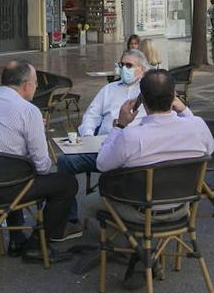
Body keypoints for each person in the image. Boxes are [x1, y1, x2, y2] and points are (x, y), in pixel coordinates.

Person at [0, 61, 80, 262]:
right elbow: (43, 166)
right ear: (25, 85)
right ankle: (38, 244)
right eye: (35, 83)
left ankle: (16, 239)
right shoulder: (28, 111)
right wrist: (36, 131)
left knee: (12, 170)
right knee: (66, 183)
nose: (36, 87)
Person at [57, 48, 148, 223]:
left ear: (142, 69)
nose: (124, 69)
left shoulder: (147, 92)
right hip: (103, 148)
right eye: (121, 65)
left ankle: (128, 210)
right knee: (64, 161)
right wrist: (88, 137)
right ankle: (69, 219)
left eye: (129, 65)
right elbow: (91, 116)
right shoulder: (109, 89)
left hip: (135, 153)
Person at [97, 69, 214, 172]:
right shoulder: (198, 126)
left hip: (139, 196)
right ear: (174, 96)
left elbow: (102, 164)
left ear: (142, 99)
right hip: (187, 191)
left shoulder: (129, 136)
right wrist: (184, 111)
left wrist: (119, 126)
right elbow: (210, 149)